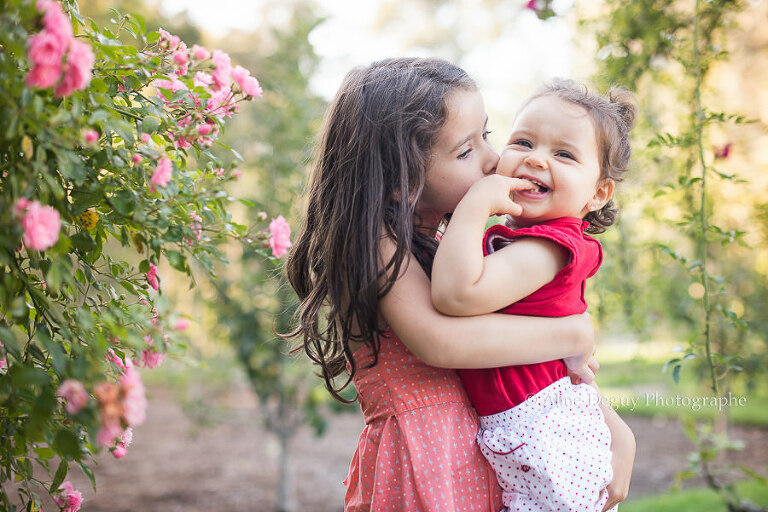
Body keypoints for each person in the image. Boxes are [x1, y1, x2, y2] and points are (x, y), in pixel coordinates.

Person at [285, 58, 607, 512]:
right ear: (402, 181)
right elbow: (440, 343)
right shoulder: (379, 242)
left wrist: (615, 429)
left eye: (487, 136)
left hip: (466, 453)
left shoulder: (446, 244)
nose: (494, 159)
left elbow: (541, 368)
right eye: (465, 151)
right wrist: (574, 333)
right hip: (422, 461)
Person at [430, 78, 638, 511]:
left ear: (598, 193)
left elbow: (454, 296)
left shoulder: (550, 248)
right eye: (522, 142)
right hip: (527, 429)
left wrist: (475, 203)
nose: (536, 159)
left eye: (563, 154)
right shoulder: (520, 240)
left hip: (545, 433)